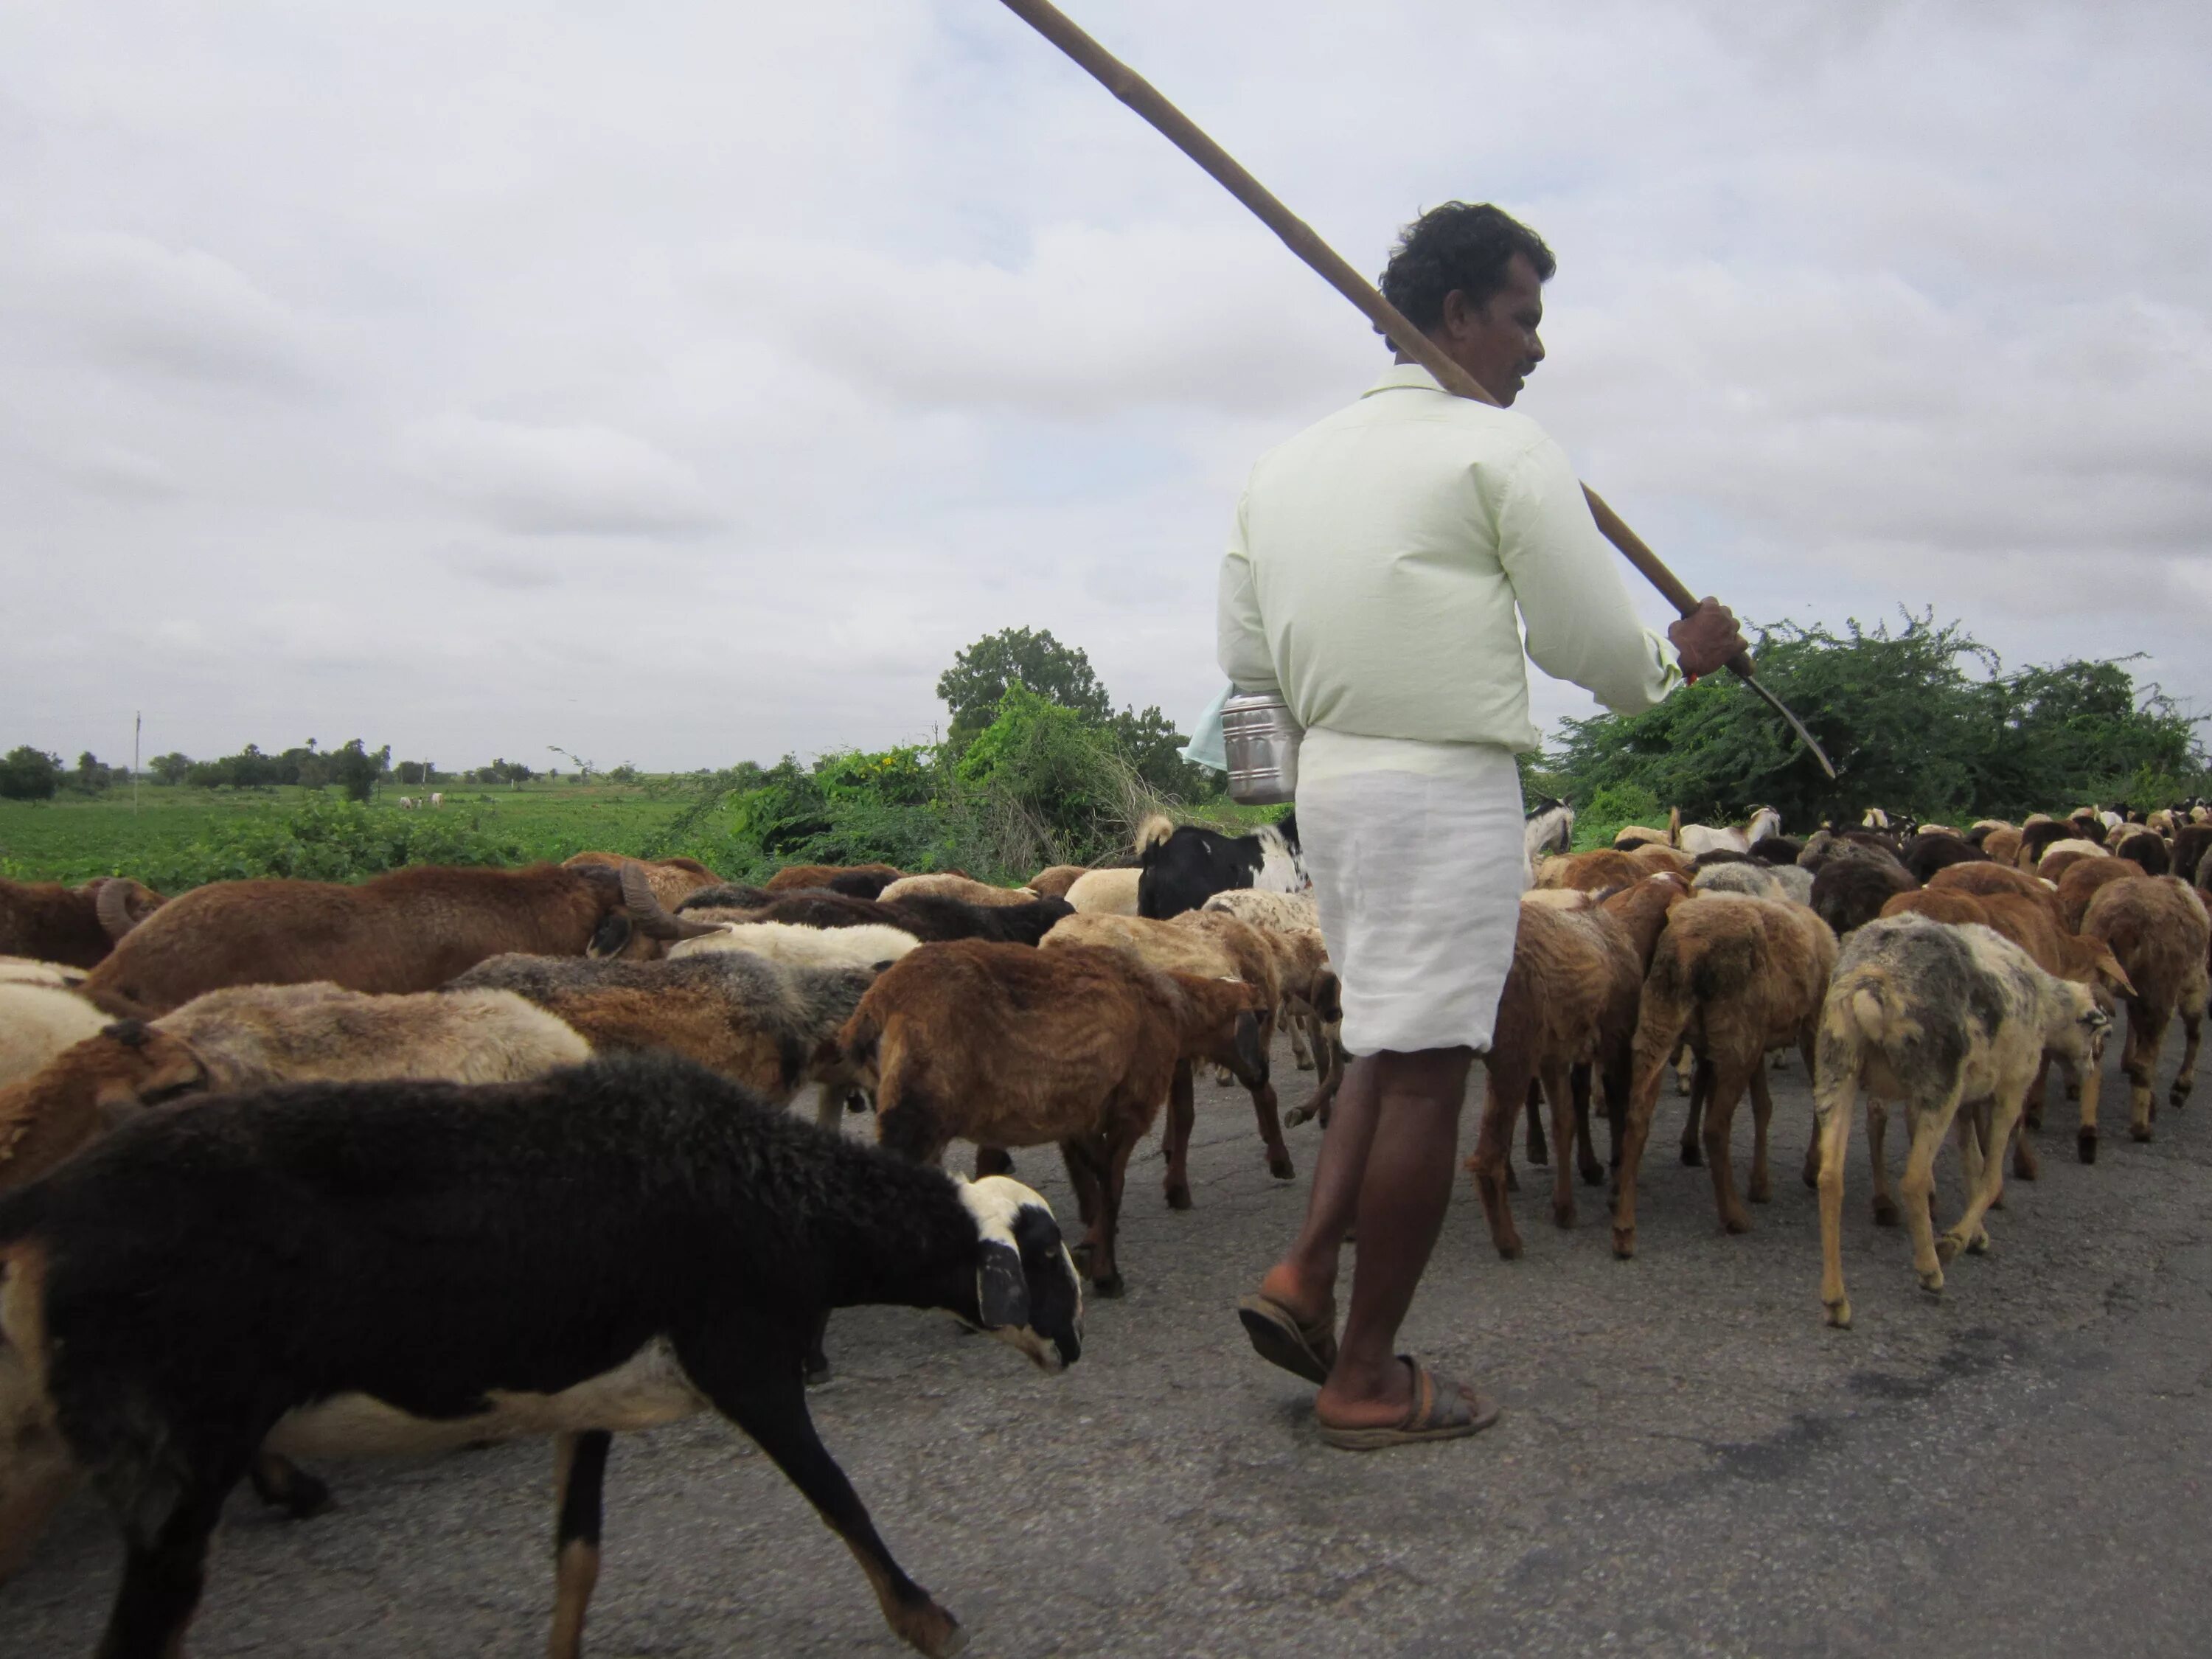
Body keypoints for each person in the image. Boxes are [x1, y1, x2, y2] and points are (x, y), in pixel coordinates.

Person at [1219, 202, 1747, 1449]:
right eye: (1524, 319)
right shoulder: (1502, 454)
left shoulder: (1281, 468)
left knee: (1391, 1048)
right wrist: (1686, 657)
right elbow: (1594, 654)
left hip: (1334, 786)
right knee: (1429, 1073)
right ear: (1456, 315)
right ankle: (1362, 1377)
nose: (1537, 350)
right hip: (1441, 786)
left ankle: (1302, 1276)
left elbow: (1246, 658)